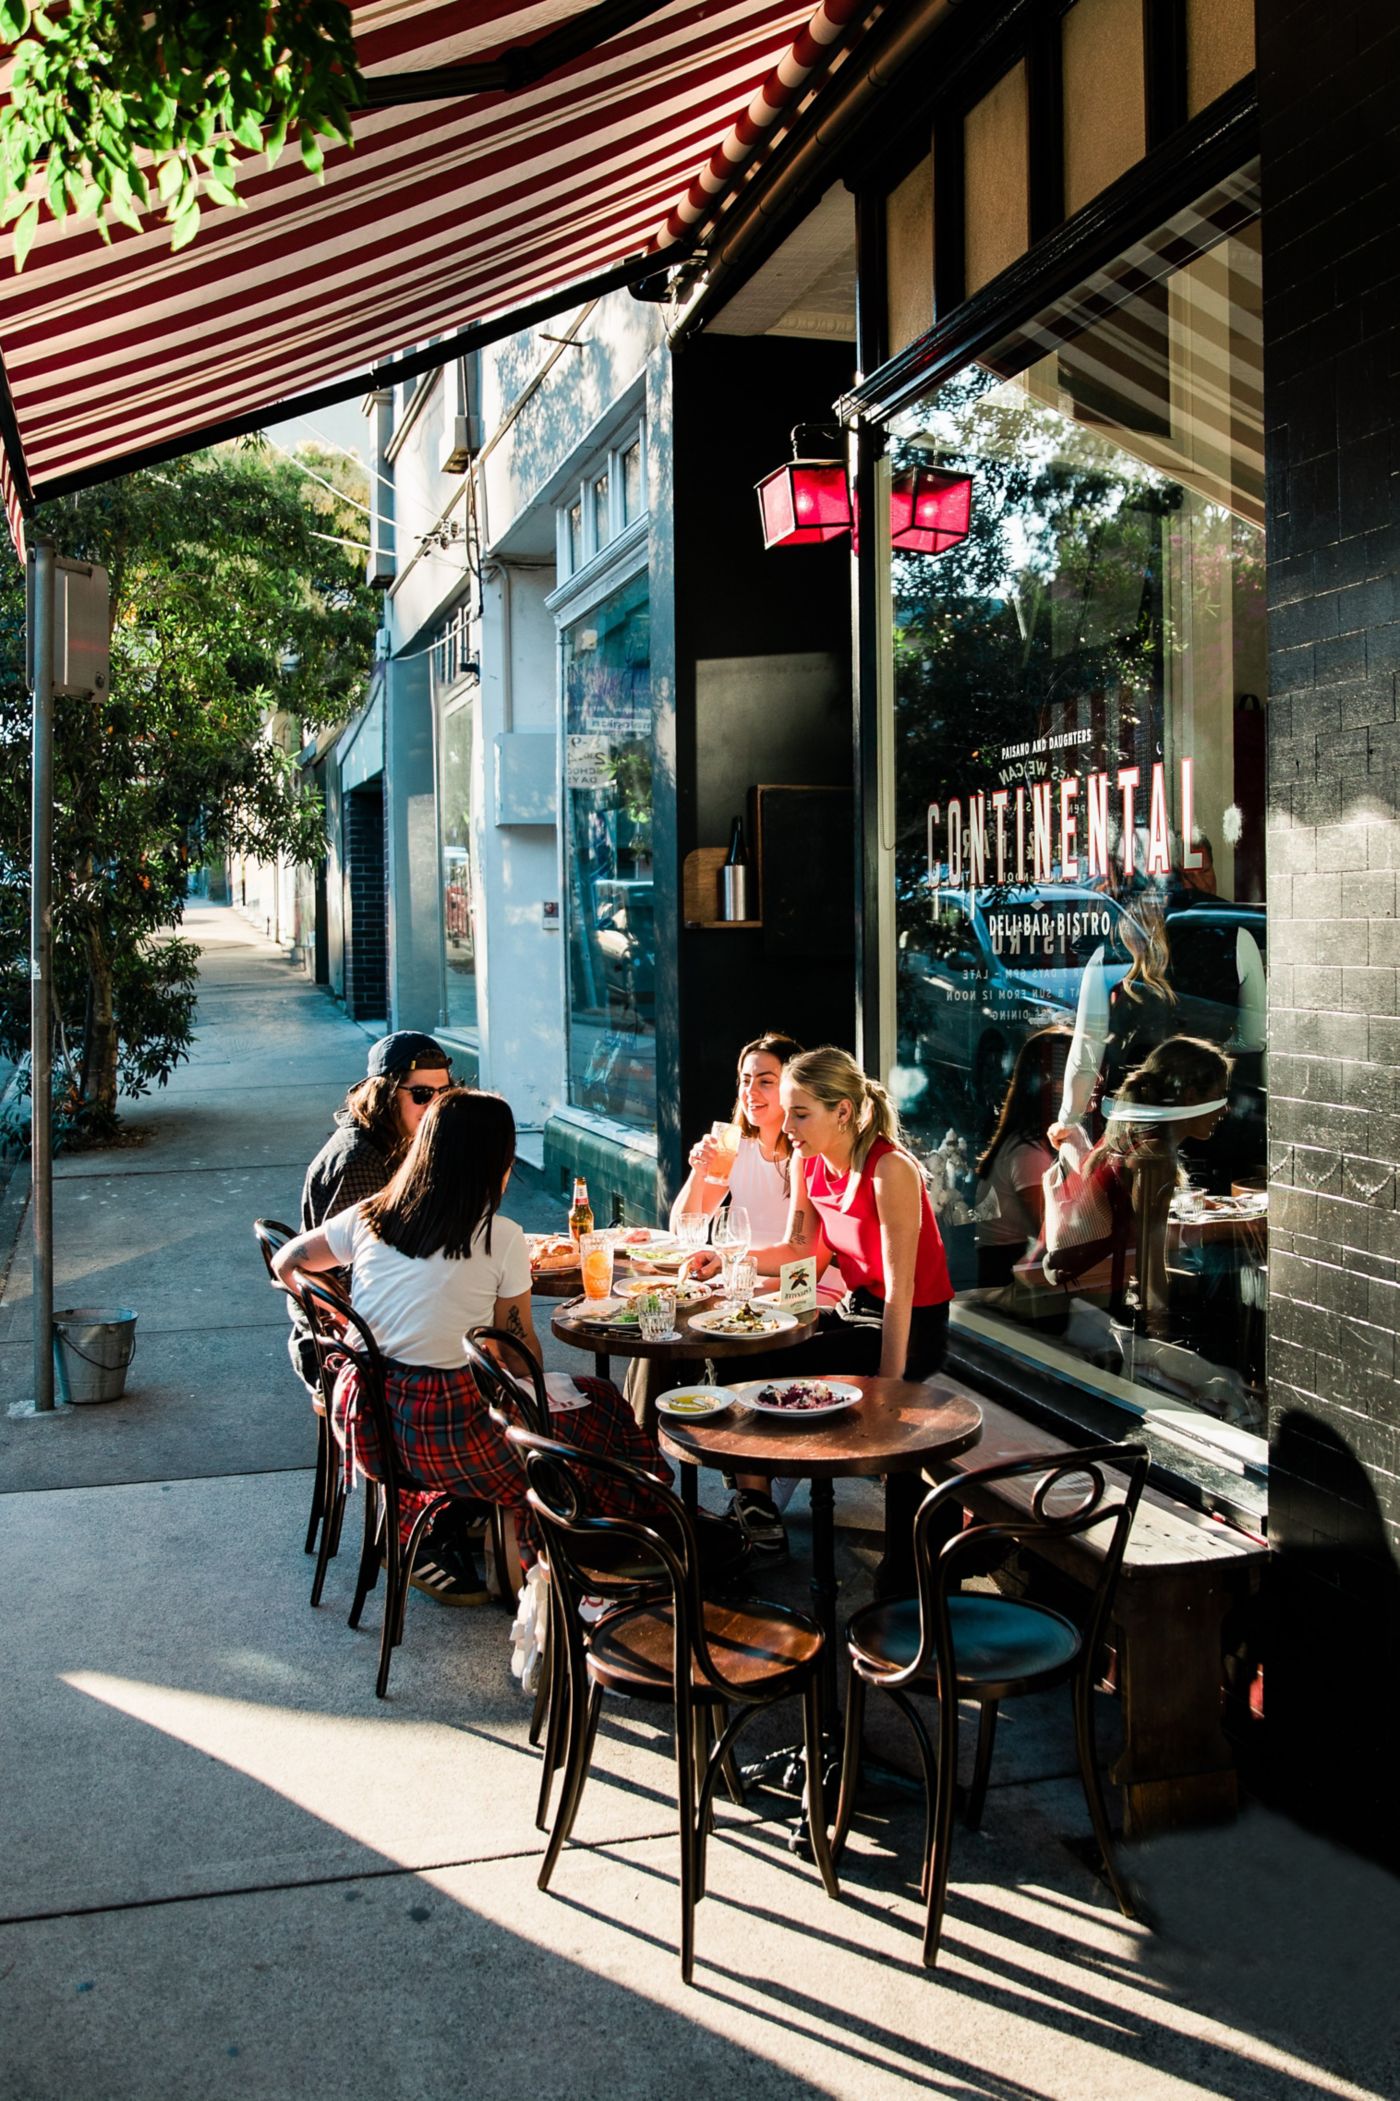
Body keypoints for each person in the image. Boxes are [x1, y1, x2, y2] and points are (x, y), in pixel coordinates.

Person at [275, 1088, 661, 1606]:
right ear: (496, 1162)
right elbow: (517, 1359)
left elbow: (287, 1263)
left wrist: (339, 1311)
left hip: (368, 1420)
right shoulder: (500, 1237)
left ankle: (499, 1535)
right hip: (448, 1434)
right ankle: (618, 1543)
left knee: (571, 1405)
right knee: (604, 1405)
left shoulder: (369, 1216)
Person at [689, 1046, 955, 1591]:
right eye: (786, 1112)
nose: (787, 1125)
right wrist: (730, 1259)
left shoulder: (890, 1169)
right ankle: (757, 1511)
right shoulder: (809, 1163)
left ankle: (896, 1564)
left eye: (800, 1113)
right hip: (855, 1310)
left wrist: (888, 1388)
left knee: (777, 1369)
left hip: (910, 1325)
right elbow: (802, 1251)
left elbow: (902, 1293)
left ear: (843, 1112)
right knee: (731, 1352)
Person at [287, 1031, 453, 1389]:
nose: (435, 1107)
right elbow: (357, 1278)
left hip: (382, 1329)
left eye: (444, 1095)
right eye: (423, 1095)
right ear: (385, 1094)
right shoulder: (361, 1161)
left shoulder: (400, 1140)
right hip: (352, 1353)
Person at [670, 1032, 805, 1241]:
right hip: (738, 1268)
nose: (750, 1091)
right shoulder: (733, 1148)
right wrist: (698, 1173)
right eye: (746, 1080)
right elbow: (682, 1233)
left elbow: (805, 1252)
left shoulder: (808, 1153)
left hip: (791, 1273)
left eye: (766, 1081)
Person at [974, 1025, 1072, 1289]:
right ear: (1052, 1081)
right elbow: (1053, 1235)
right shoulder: (1027, 1153)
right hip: (1007, 1285)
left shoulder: (1025, 1142)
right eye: (1075, 1075)